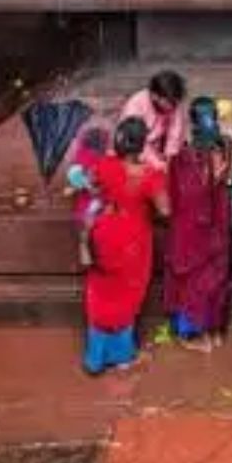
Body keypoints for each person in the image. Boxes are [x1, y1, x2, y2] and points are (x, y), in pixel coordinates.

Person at [82, 116, 168, 376]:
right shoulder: (151, 176)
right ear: (141, 146)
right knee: (127, 294)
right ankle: (120, 355)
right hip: (132, 240)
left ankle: (95, 358)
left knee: (101, 291)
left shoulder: (104, 165)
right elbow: (165, 210)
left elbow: (92, 185)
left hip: (103, 232)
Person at [162, 96, 232, 353]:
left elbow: (178, 194)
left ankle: (201, 329)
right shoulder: (218, 149)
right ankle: (198, 330)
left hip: (202, 226)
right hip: (202, 226)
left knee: (204, 277)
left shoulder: (188, 156)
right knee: (205, 277)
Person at [118, 70, 188, 172]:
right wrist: (157, 163)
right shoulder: (135, 106)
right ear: (155, 96)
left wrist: (169, 159)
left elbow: (175, 133)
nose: (172, 106)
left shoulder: (173, 103)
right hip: (133, 149)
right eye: (169, 102)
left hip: (156, 147)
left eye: (175, 102)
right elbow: (137, 144)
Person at [64, 125, 110, 269]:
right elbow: (74, 175)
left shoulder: (106, 157)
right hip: (89, 200)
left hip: (102, 199)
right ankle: (84, 246)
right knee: (88, 222)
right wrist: (87, 185)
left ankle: (96, 251)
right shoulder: (82, 156)